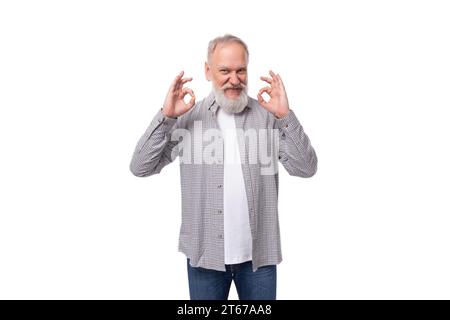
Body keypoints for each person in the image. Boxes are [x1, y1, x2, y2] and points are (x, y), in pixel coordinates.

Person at [129, 34, 318, 300]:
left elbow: (306, 168)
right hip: (205, 258)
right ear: (208, 71)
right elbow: (140, 166)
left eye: (241, 70)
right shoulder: (186, 118)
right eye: (225, 70)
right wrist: (166, 116)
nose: (234, 79)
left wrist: (285, 116)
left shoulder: (267, 117)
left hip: (259, 260)